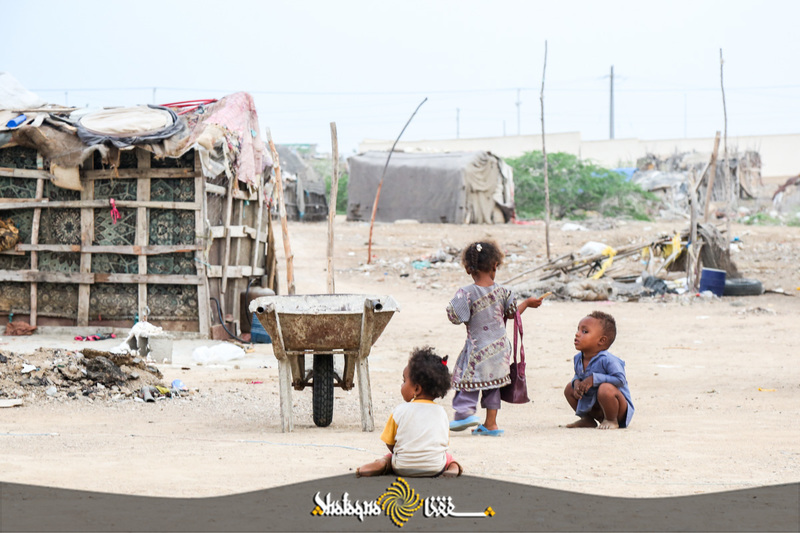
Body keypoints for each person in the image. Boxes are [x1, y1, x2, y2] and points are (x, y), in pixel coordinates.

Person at [447, 240, 544, 437]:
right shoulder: (504, 292)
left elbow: (455, 317)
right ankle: (490, 424)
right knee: (493, 385)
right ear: (495, 266)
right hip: (500, 350)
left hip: (477, 348)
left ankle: (464, 413)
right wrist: (527, 303)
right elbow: (512, 314)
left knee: (469, 377)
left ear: (468, 269)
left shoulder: (466, 293)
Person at [356, 346, 462, 478]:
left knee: (390, 456)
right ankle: (453, 467)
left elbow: (390, 443)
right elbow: (443, 443)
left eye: (404, 381)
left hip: (402, 467)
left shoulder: (399, 411)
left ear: (417, 389)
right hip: (435, 467)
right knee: (448, 457)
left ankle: (382, 463)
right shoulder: (441, 413)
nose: (402, 385)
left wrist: (402, 453)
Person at [564, 311, 634, 429]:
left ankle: (611, 420)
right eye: (578, 330)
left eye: (584, 332)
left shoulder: (609, 360)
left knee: (605, 388)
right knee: (569, 388)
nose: (577, 334)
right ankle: (587, 419)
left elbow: (620, 379)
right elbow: (578, 375)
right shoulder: (578, 358)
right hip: (595, 404)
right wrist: (576, 383)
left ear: (601, 340)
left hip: (617, 409)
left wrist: (594, 379)